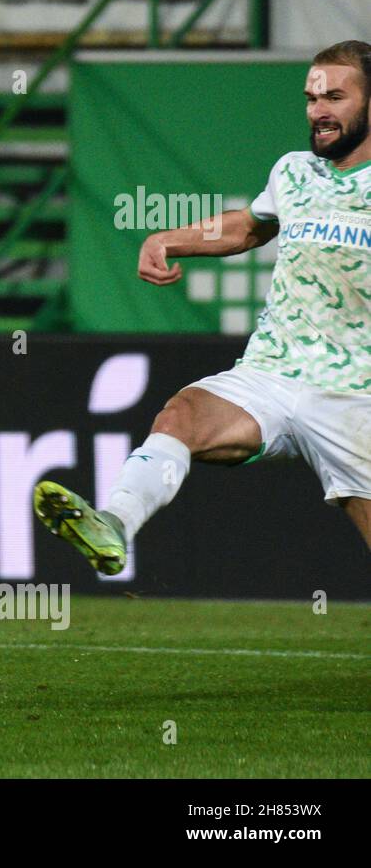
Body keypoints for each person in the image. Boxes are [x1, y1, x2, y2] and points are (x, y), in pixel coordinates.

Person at [35, 40, 371, 569]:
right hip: (273, 373)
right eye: (311, 98)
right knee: (181, 416)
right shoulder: (294, 172)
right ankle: (116, 523)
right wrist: (171, 239)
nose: (318, 111)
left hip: (358, 394)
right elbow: (250, 226)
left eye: (335, 97)